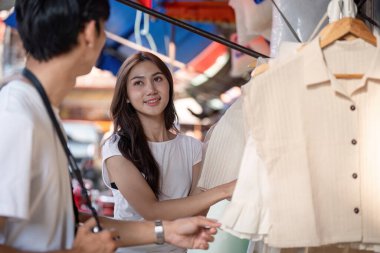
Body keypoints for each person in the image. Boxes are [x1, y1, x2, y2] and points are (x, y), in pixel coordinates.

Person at [0, 1, 221, 252]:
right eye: (104, 29)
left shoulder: (40, 111)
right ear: (89, 32)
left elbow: (66, 224)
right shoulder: (17, 115)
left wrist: (165, 231)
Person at [102, 51, 236, 253]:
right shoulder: (117, 147)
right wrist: (225, 190)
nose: (151, 89)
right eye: (139, 83)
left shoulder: (192, 147)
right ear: (126, 96)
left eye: (157, 79)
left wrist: (215, 148)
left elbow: (195, 214)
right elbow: (151, 211)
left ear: (169, 86)